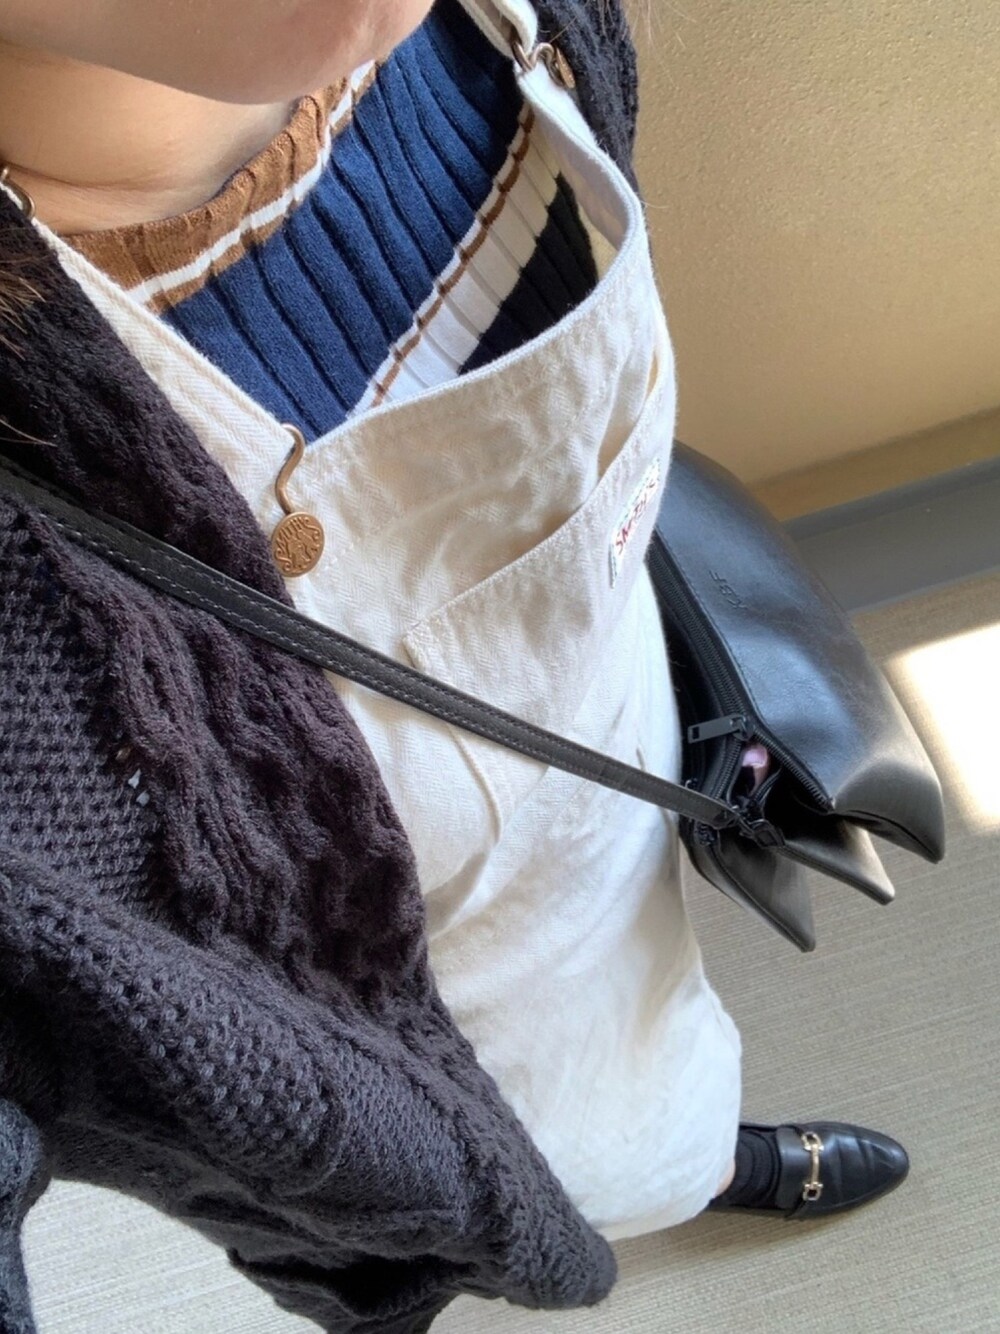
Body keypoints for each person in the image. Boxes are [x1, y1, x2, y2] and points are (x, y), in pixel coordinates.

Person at [0, 0, 908, 1329]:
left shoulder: (504, 35)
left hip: (619, 764)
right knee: (567, 1169)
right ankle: (683, 1175)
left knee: (656, 1025)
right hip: (416, 1026)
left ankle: (703, 1151)